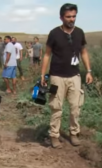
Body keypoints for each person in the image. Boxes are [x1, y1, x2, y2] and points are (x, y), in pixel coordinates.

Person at [41, 3, 93, 149]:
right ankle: (54, 135)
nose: (71, 19)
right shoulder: (54, 33)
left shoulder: (79, 33)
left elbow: (83, 52)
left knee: (75, 107)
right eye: (68, 16)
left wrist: (88, 71)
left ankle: (74, 133)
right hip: (57, 76)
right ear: (61, 17)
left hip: (74, 76)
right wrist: (42, 75)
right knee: (56, 107)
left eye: (74, 16)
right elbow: (46, 55)